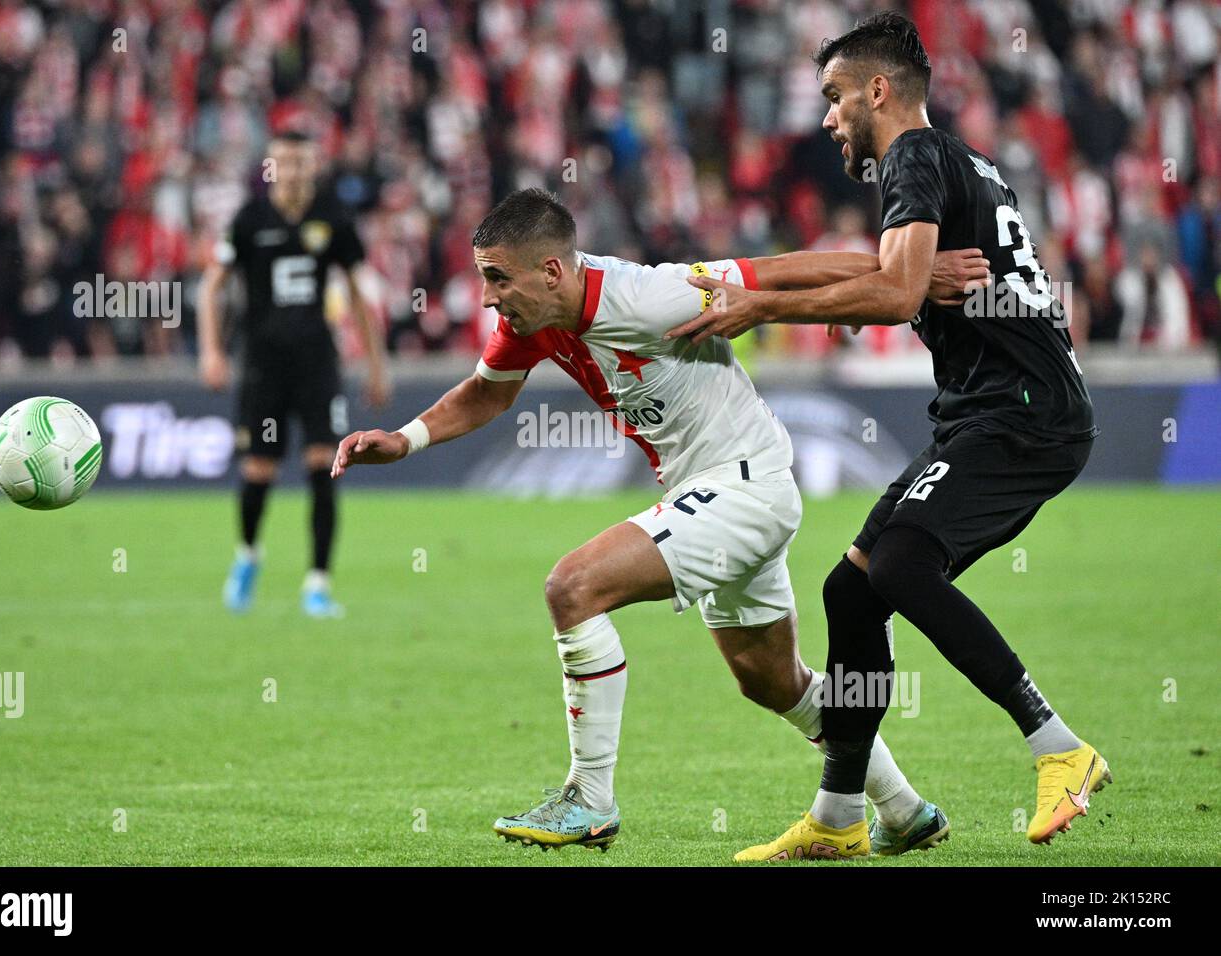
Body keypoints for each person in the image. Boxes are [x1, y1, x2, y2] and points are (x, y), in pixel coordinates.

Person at [331, 187, 986, 852]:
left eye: (498, 278)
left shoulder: (650, 296)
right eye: (483, 279)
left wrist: (909, 275)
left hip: (743, 487)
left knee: (573, 587)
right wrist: (404, 438)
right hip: (718, 490)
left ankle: (589, 799)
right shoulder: (533, 321)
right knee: (772, 682)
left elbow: (782, 271)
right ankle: (901, 809)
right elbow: (485, 393)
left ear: (550, 271)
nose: (489, 297)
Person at [675, 12, 1106, 860]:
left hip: (1021, 409)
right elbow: (892, 277)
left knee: (906, 564)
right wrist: (840, 282)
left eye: (835, 97)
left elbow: (893, 294)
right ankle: (841, 817)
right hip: (1001, 404)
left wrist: (760, 305)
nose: (828, 117)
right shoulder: (963, 161)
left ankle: (1058, 746)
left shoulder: (912, 157)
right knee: (852, 592)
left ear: (880, 91)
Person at [198, 130, 390, 618]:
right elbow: (210, 288)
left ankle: (318, 584)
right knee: (259, 469)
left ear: (315, 166)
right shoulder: (249, 218)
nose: (293, 170)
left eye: (303, 162)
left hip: (317, 361)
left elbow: (359, 295)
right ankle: (247, 556)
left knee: (325, 464)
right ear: (270, 167)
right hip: (262, 362)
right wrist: (212, 351)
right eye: (284, 161)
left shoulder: (333, 218)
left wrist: (375, 365)